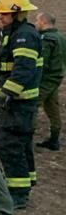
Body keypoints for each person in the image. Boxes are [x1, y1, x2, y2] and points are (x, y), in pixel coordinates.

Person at [0, 0, 43, 209]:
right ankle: (25, 183)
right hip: (18, 103)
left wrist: (7, 93)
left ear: (17, 14)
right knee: (20, 144)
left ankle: (18, 193)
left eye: (4, 14)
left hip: (19, 103)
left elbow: (23, 69)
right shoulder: (15, 33)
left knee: (9, 145)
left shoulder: (24, 36)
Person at [35, 12, 65, 151]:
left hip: (46, 78)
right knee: (52, 107)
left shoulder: (47, 39)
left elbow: (43, 61)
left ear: (43, 22)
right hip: (57, 76)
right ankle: (54, 139)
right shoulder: (61, 37)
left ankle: (25, 137)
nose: (35, 23)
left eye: (37, 21)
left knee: (32, 105)